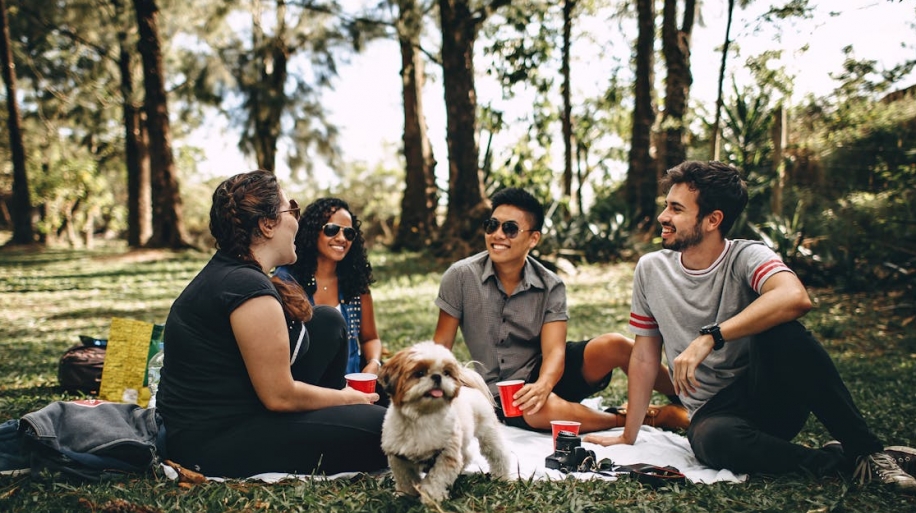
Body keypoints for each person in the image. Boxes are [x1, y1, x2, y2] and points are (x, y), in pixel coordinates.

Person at [583, 160, 916, 493]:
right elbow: (643, 356)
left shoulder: (746, 256)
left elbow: (794, 297)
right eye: (666, 205)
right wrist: (629, 433)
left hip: (769, 394)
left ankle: (867, 451)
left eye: (676, 208)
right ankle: (842, 462)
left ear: (713, 220)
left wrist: (711, 337)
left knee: (784, 332)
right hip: (714, 414)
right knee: (713, 442)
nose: (663, 217)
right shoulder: (651, 269)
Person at [156, 170, 387, 478]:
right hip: (214, 440)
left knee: (328, 321)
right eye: (291, 208)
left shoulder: (237, 274)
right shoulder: (246, 288)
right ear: (266, 225)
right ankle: (347, 417)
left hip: (243, 410)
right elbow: (279, 396)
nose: (297, 219)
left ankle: (341, 416)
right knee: (387, 430)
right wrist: (349, 397)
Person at [433, 187, 687, 433]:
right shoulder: (461, 277)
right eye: (492, 225)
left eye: (510, 229)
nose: (498, 235)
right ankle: (644, 418)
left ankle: (689, 399)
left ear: (533, 238)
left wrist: (544, 384)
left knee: (616, 345)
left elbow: (555, 351)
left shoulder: (550, 284)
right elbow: (441, 347)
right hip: (502, 392)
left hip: (548, 372)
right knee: (537, 410)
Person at [276, 197, 383, 378]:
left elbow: (370, 338)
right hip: (306, 389)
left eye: (349, 233)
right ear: (312, 231)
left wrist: (374, 363)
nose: (341, 238)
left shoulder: (355, 282)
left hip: (353, 388)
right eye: (332, 229)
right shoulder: (286, 281)